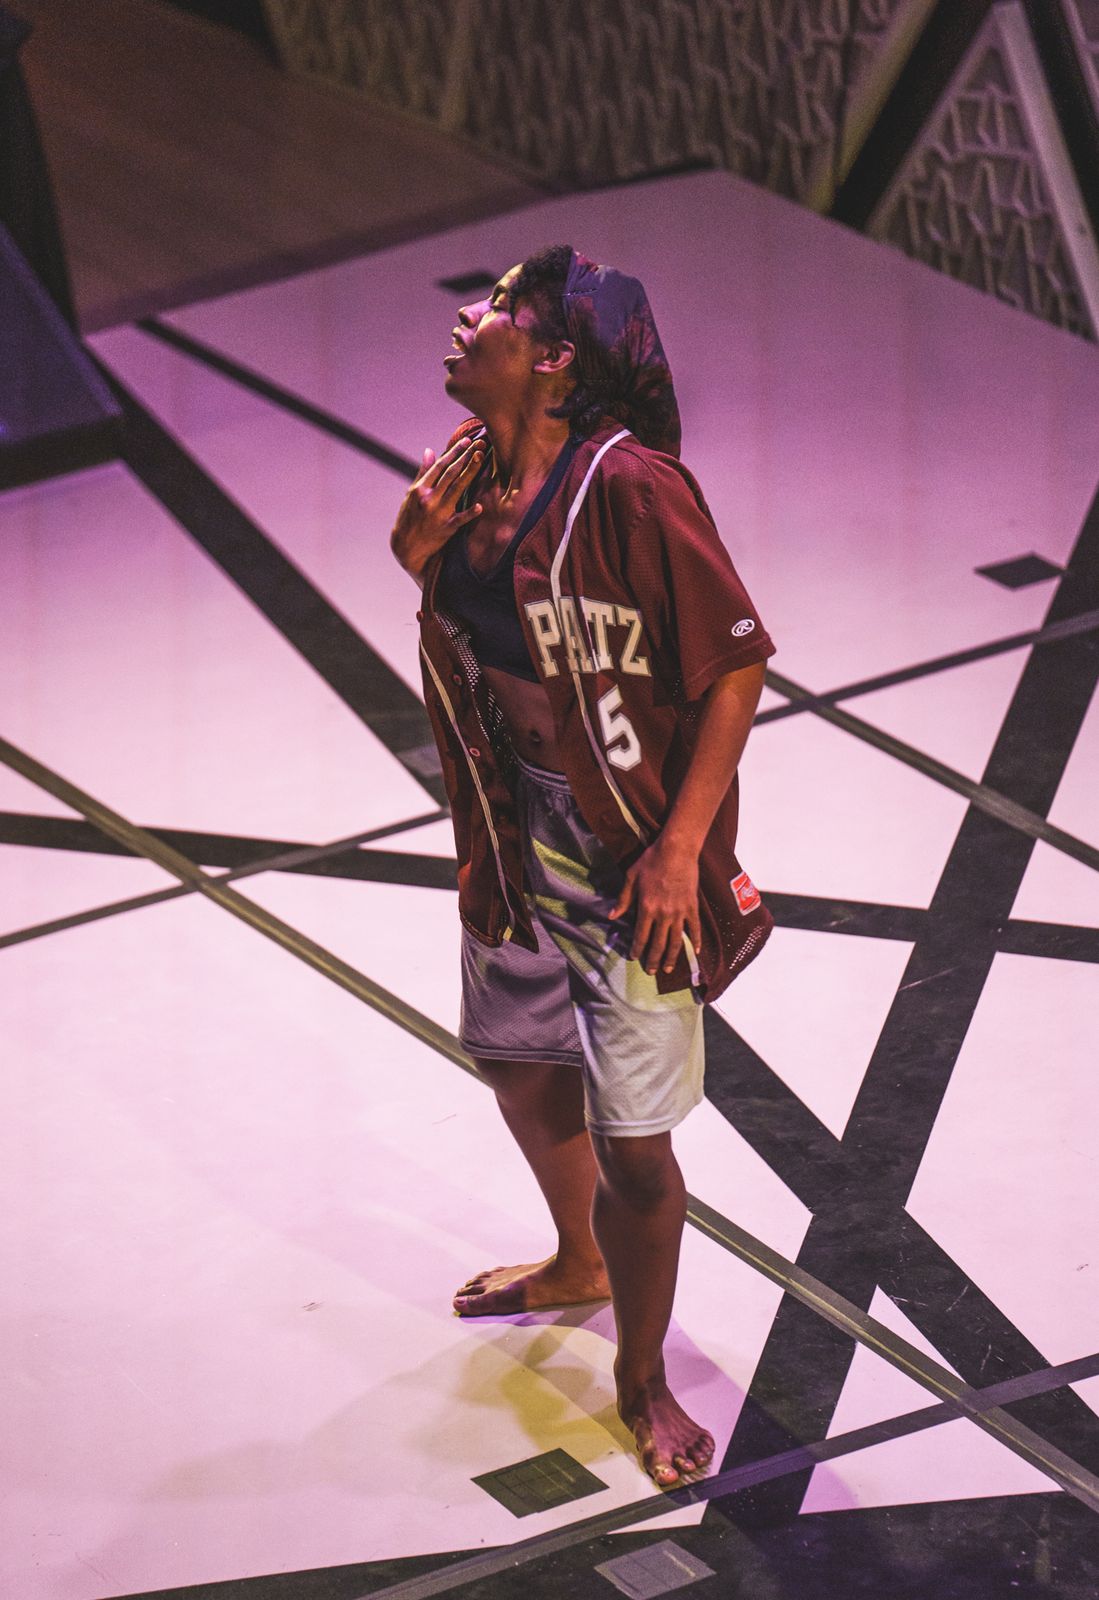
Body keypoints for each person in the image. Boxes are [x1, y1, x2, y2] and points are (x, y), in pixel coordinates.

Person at [389, 245, 775, 1488]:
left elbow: (736, 664)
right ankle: (578, 1257)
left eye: (500, 307)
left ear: (555, 360)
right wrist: (414, 555)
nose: (470, 313)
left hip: (622, 842)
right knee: (513, 1058)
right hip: (508, 818)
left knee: (637, 1146)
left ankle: (643, 1378)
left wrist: (678, 849)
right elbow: (481, 634)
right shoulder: (466, 477)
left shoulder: (632, 487)